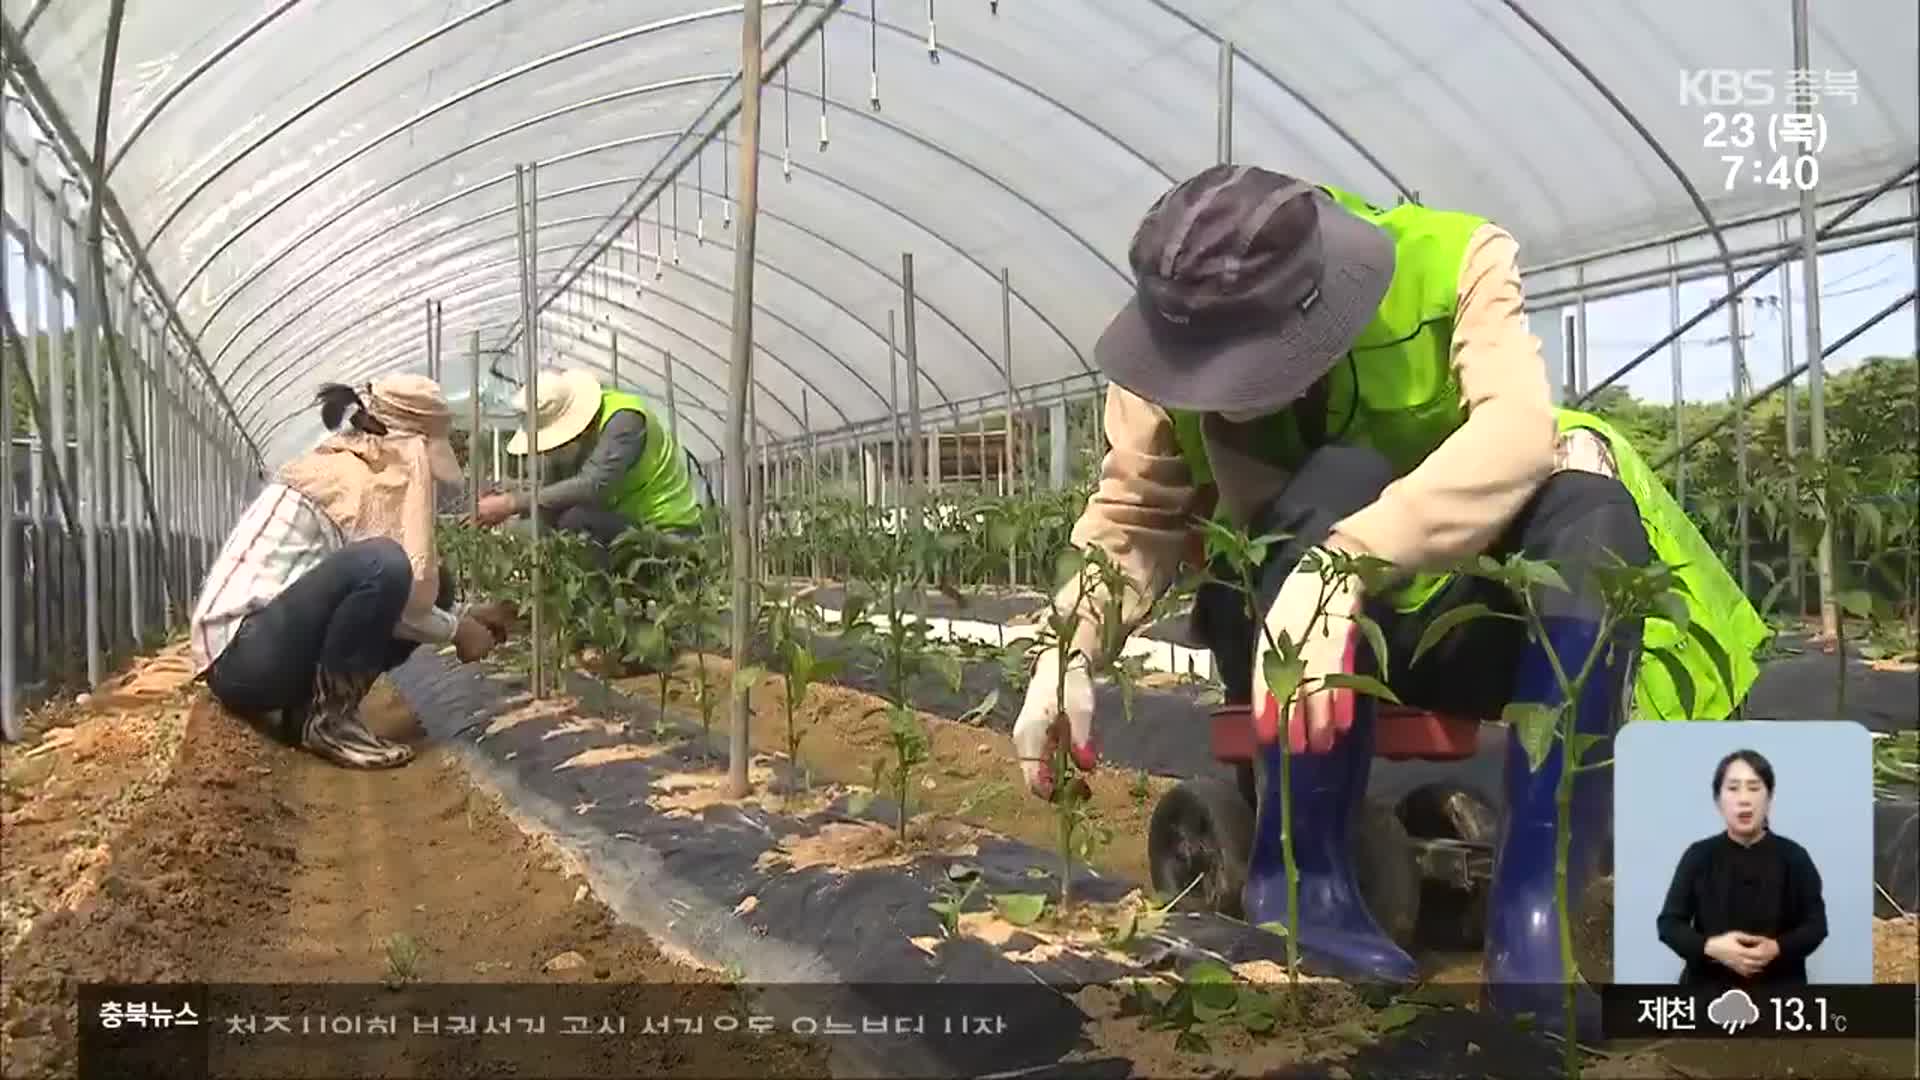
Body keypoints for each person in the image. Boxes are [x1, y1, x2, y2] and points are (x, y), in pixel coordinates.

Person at [1010, 166, 1770, 1030]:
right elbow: (1136, 512)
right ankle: (1305, 878)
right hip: (1274, 628)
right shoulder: (1166, 343)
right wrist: (1064, 648)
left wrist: (1348, 563)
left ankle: (1535, 917)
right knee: (1339, 473)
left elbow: (1516, 431)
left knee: (1590, 508)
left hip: (1463, 612)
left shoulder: (1454, 262)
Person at [190, 376, 511, 770]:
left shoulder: (360, 466)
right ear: (409, 447)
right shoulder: (354, 484)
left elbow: (392, 601)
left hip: (266, 648)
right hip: (242, 657)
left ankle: (309, 712)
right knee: (384, 563)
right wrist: (459, 630)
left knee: (431, 582)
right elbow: (389, 592)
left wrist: (462, 614)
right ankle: (331, 723)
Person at [472, 367, 702, 568]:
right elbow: (554, 491)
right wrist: (510, 495)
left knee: (576, 520)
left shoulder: (624, 420)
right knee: (546, 518)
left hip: (668, 530)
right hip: (627, 521)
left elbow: (591, 485)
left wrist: (511, 503)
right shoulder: (588, 434)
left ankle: (599, 606)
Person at [1657, 749, 1827, 988]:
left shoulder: (1794, 857)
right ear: (1718, 800)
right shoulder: (1699, 855)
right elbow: (1669, 924)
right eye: (1733, 788)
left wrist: (1777, 948)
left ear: (1769, 798)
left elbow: (1816, 926)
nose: (1744, 799)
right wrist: (1711, 948)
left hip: (1780, 995)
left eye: (1754, 788)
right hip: (1706, 992)